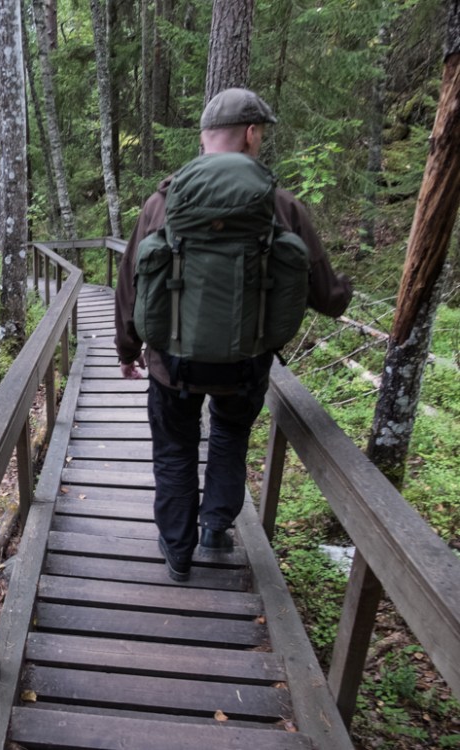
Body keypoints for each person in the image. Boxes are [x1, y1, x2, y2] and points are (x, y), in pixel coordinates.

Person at [113, 88, 353, 582]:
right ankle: (216, 526)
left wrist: (127, 349)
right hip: (246, 364)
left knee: (175, 449)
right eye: (260, 132)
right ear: (249, 134)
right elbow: (327, 297)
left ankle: (177, 552)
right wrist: (344, 289)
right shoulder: (282, 206)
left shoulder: (162, 203)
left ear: (204, 139)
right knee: (228, 435)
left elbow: (130, 283)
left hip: (171, 364)